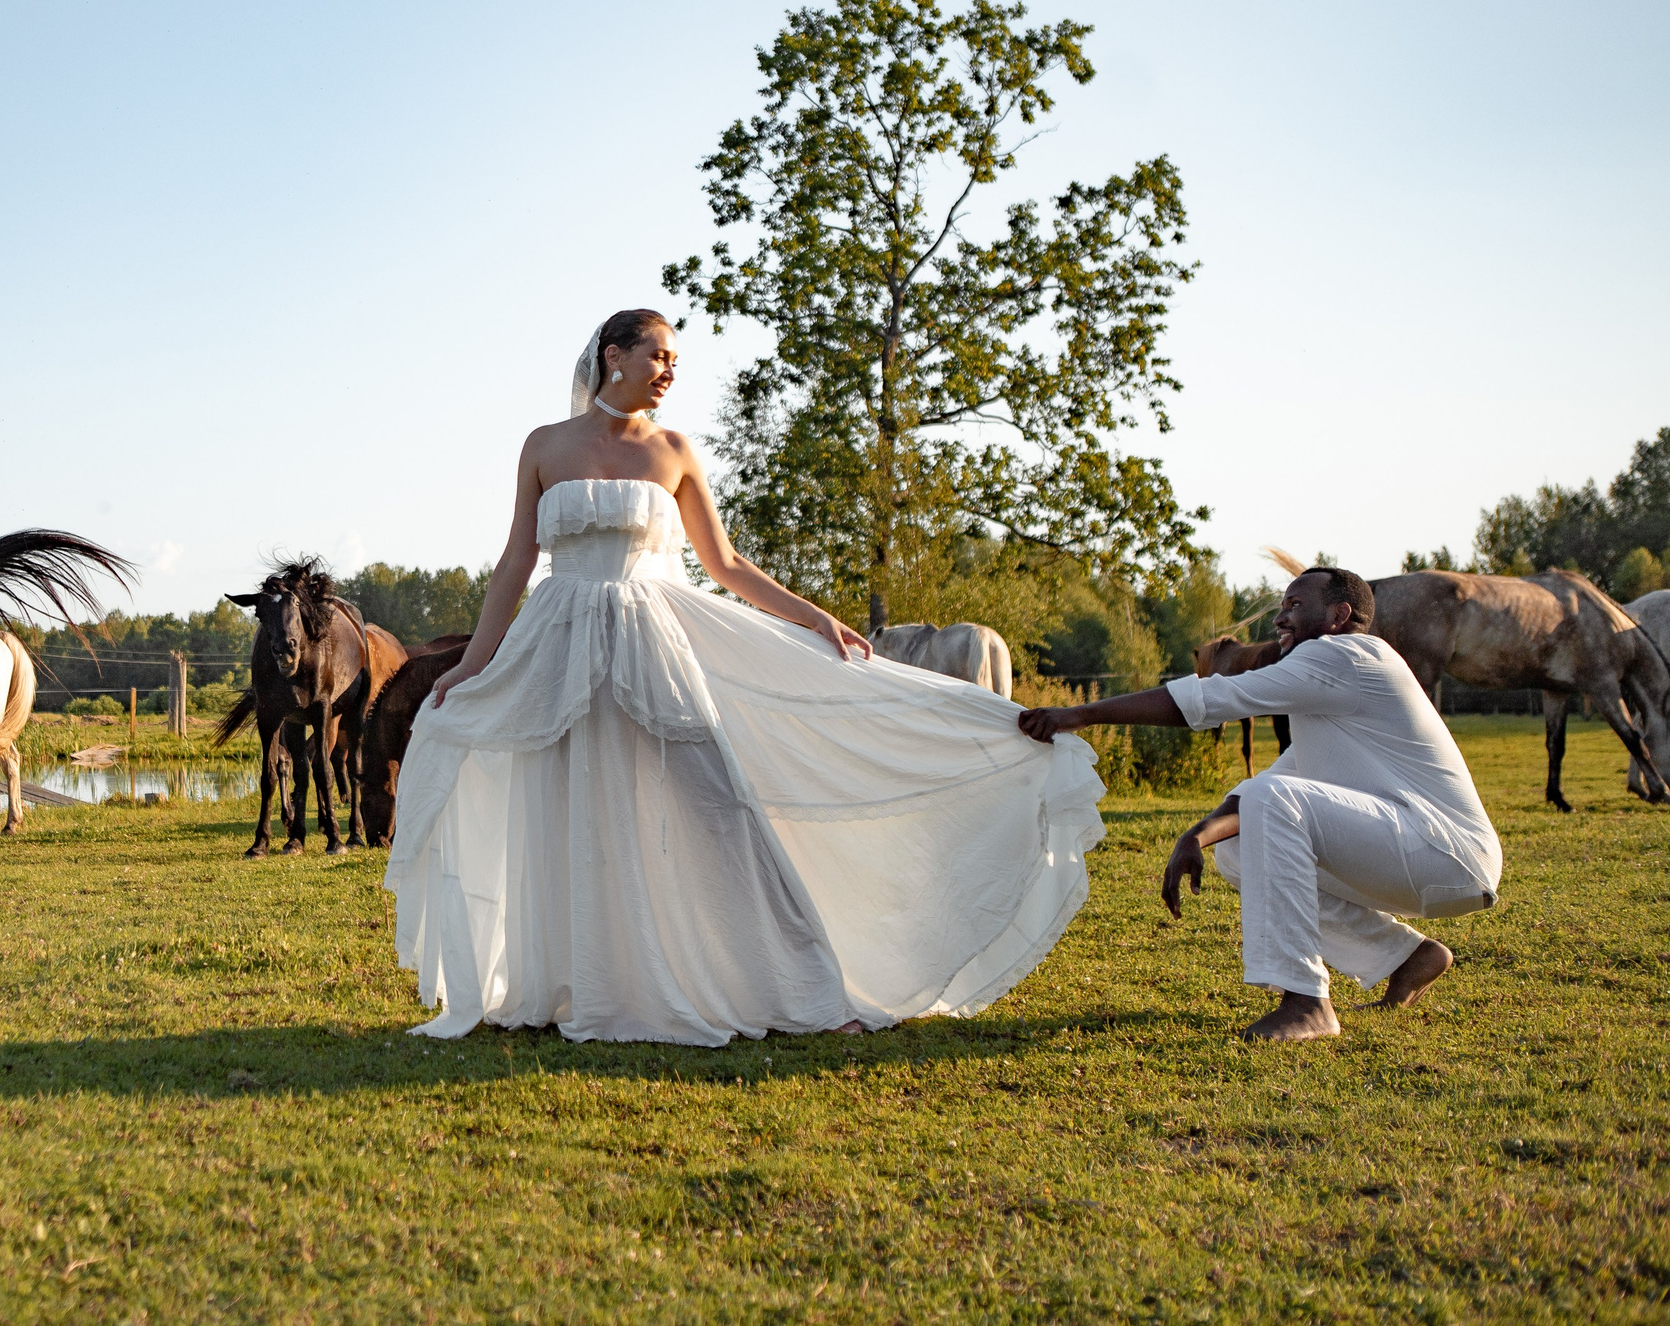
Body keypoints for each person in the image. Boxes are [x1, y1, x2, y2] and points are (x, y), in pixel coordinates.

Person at [383, 309, 1108, 1045]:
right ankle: (582, 984)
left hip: (649, 643)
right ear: (614, 355)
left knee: (722, 808)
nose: (670, 369)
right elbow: (515, 561)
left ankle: (810, 990)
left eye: (675, 360)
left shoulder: (673, 450)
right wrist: (475, 664)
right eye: (659, 354)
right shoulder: (543, 446)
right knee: (570, 806)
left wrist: (813, 617)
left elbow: (726, 565)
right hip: (558, 646)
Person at [1019, 566, 1501, 1041]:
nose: (1280, 618)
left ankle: (1307, 1002)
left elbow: (1216, 698)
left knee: (1270, 803)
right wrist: (1197, 835)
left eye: (1295, 605)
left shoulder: (1344, 657)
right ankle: (1405, 958)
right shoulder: (1332, 689)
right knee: (1237, 844)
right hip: (1425, 856)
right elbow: (1278, 777)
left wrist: (1081, 713)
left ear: (1339, 615)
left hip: (1449, 853)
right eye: (1281, 606)